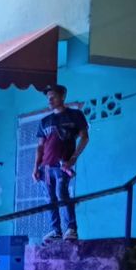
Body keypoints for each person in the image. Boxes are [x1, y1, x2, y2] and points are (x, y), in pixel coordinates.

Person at [33, 84, 89, 244]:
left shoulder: (75, 115)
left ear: (63, 96)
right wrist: (35, 167)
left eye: (53, 97)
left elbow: (84, 137)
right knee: (50, 199)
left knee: (62, 194)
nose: (50, 100)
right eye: (48, 98)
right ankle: (56, 231)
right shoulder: (44, 121)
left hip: (62, 166)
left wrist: (73, 159)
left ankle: (71, 229)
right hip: (46, 168)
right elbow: (40, 146)